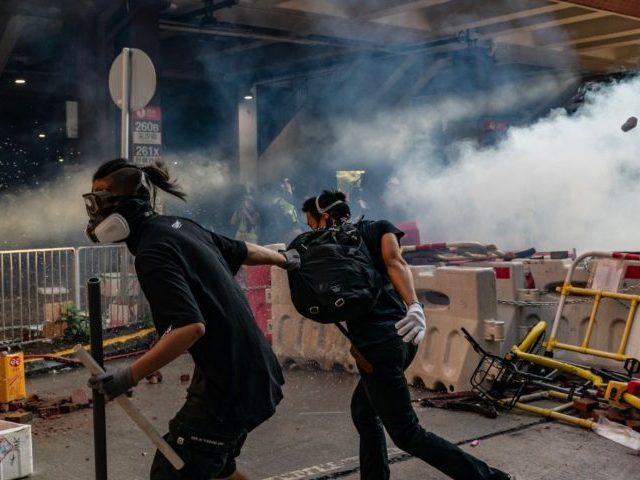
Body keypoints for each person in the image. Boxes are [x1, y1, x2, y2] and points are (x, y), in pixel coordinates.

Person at [82, 159, 300, 480]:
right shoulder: (179, 226)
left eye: (100, 199)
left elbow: (189, 327)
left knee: (173, 470)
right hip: (253, 374)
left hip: (231, 387)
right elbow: (242, 250)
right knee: (219, 468)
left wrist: (129, 375)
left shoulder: (152, 252)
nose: (94, 211)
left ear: (125, 204)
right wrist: (284, 259)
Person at [301, 190, 515, 480]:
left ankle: (491, 478)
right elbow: (395, 262)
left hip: (377, 349)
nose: (310, 229)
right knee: (364, 412)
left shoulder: (324, 248)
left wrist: (292, 260)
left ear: (324, 216)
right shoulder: (379, 227)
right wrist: (413, 306)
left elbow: (326, 294)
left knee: (407, 434)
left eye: (311, 222)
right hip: (404, 334)